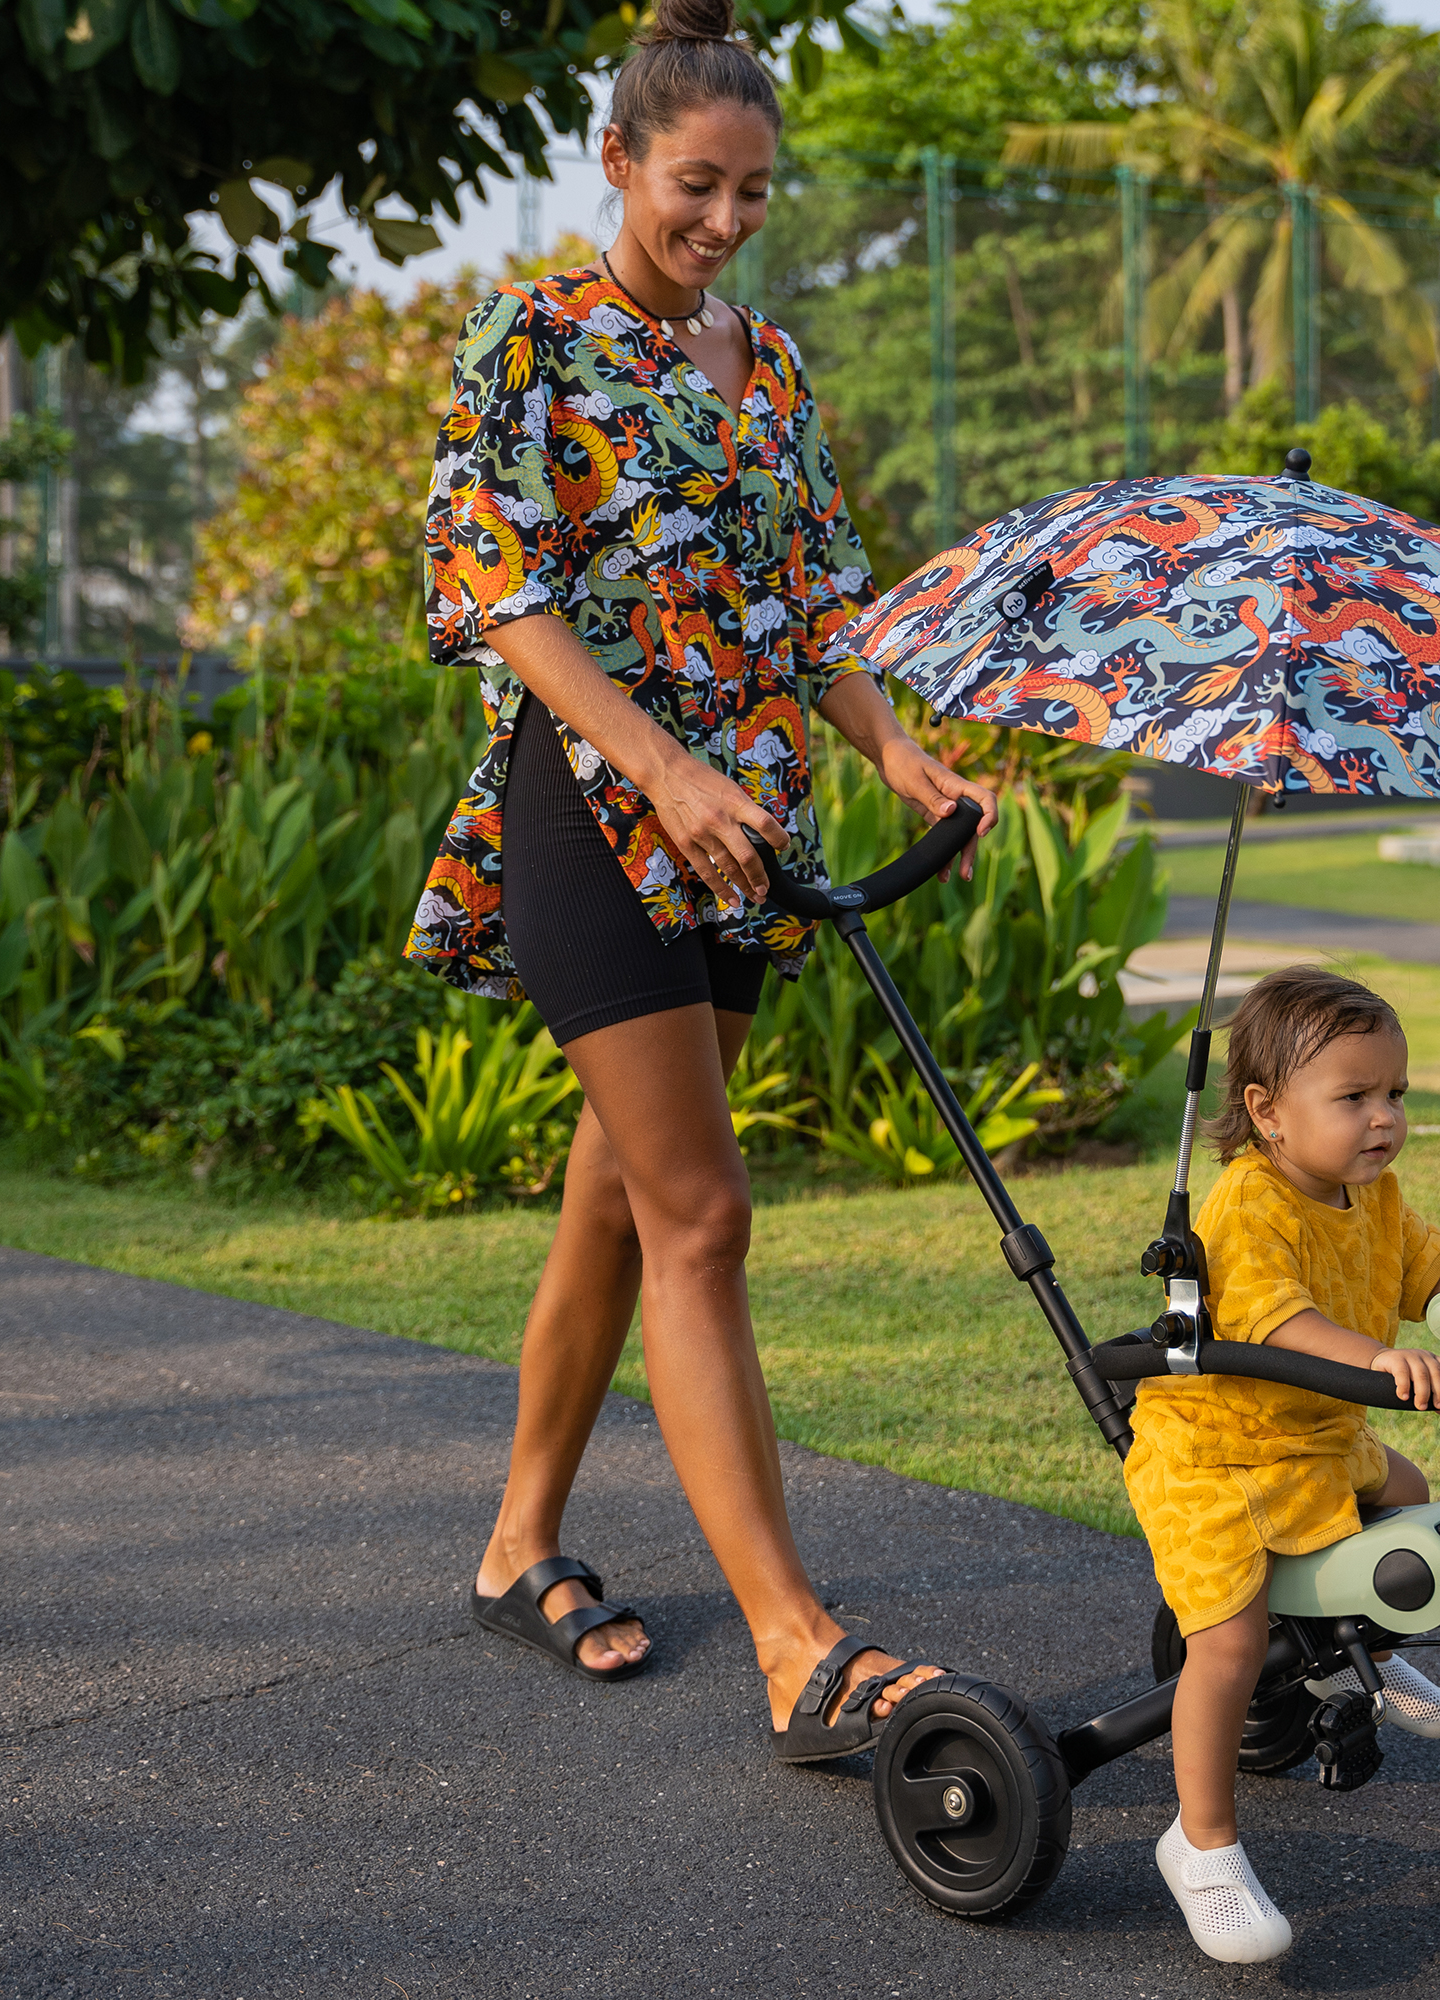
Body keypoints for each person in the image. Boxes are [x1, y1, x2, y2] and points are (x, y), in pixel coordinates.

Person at [405, 0, 996, 1761]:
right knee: (704, 1213)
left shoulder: (776, 362)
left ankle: (517, 1548)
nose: (726, 221)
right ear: (617, 162)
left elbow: (817, 601)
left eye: (752, 192)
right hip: (593, 810)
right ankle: (795, 1641)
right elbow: (494, 590)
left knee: (619, 1195)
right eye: (696, 185)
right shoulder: (530, 338)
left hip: (744, 828)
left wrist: (891, 750)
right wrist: (660, 765)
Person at [1123, 965, 1440, 1963]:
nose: (1381, 1117)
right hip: (1214, 1456)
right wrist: (1379, 1357)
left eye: (1394, 1092)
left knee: (1408, 1495)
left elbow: (1434, 1266)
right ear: (1266, 1113)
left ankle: (1370, 1643)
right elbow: (1276, 1316)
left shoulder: (1371, 1191)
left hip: (1312, 1438)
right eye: (1352, 1096)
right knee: (1225, 1643)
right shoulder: (1245, 1203)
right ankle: (1200, 1841)